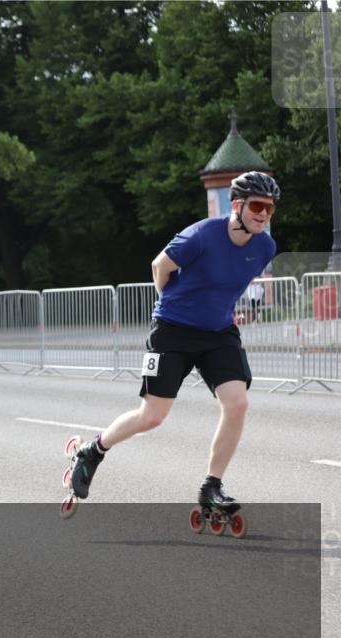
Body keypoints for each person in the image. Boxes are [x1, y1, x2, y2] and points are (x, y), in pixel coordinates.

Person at [67, 171, 279, 517]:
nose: (264, 214)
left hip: (218, 332)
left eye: (270, 208)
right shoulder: (201, 235)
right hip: (174, 329)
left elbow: (228, 284)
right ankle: (93, 450)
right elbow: (159, 266)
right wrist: (172, 305)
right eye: (257, 205)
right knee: (153, 416)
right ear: (237, 205)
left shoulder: (265, 247)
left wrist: (216, 310)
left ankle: (212, 486)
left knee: (237, 403)